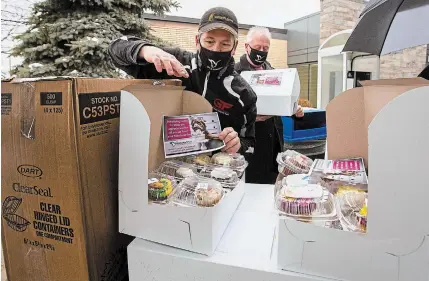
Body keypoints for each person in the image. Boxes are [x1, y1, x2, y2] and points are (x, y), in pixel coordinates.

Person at [109, 7, 257, 156]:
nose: (216, 50)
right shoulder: (173, 63)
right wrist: (147, 51)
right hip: (164, 168)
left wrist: (237, 145)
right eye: (209, 41)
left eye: (225, 44)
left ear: (234, 47)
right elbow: (115, 49)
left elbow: (249, 143)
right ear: (197, 41)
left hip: (214, 172)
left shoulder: (243, 94)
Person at [235, 26, 304, 184]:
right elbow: (225, 112)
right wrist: (249, 118)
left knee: (271, 187)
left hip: (273, 145)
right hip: (248, 148)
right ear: (247, 47)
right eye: (257, 47)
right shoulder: (235, 73)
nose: (261, 51)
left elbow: (282, 101)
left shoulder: (274, 73)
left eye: (265, 48)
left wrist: (294, 110)